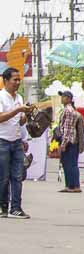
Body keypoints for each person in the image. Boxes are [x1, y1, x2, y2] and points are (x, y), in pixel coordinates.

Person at [0, 65, 33, 218]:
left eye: (19, 79)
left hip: (16, 141)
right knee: (3, 176)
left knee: (18, 176)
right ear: (6, 80)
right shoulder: (1, 97)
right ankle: (3, 207)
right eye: (15, 79)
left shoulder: (19, 97)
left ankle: (16, 207)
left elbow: (19, 122)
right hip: (2, 141)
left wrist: (25, 114)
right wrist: (18, 110)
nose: (18, 82)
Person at [55, 89, 84, 193]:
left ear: (69, 99)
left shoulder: (68, 110)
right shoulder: (69, 110)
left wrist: (63, 143)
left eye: (63, 97)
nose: (62, 99)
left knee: (70, 164)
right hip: (71, 141)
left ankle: (73, 186)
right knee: (69, 164)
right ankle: (70, 185)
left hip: (69, 142)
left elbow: (68, 129)